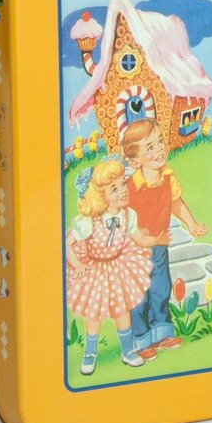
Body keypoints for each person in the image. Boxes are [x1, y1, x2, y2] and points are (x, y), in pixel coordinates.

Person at [66, 158, 169, 375]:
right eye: (114, 189)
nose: (123, 190)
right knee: (93, 313)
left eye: (123, 184)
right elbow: (66, 244)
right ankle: (90, 352)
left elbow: (139, 238)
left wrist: (156, 240)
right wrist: (77, 264)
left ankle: (128, 350)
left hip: (118, 268)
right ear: (100, 196)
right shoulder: (89, 221)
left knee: (122, 310)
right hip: (95, 270)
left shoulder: (128, 214)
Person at [122, 119, 208, 361]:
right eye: (149, 147)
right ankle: (141, 339)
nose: (159, 149)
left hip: (159, 247)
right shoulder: (130, 187)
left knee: (161, 287)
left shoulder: (168, 177)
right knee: (139, 296)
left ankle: (161, 332)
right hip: (136, 252)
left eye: (160, 141)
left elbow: (176, 203)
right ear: (134, 161)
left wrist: (191, 223)